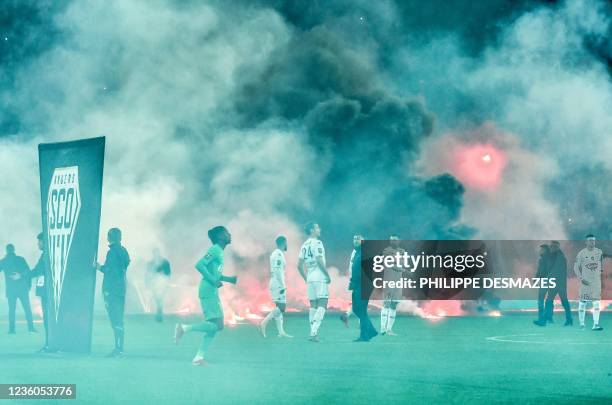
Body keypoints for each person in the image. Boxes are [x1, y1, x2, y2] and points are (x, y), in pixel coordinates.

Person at [174, 226, 237, 366]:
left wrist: (229, 279)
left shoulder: (219, 251)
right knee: (216, 325)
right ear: (221, 237)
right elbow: (199, 265)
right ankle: (183, 329)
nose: (229, 234)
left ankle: (198, 358)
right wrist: (213, 280)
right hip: (208, 291)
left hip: (211, 291)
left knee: (216, 326)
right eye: (227, 233)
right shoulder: (215, 249)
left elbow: (216, 274)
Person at [96, 228, 131, 357]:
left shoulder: (112, 252)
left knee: (114, 319)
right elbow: (124, 265)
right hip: (121, 290)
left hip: (111, 290)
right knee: (119, 319)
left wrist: (99, 267)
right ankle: (120, 347)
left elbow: (110, 271)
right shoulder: (124, 251)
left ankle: (118, 349)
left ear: (109, 238)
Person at [298, 222, 330, 342]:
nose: (319, 229)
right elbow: (319, 260)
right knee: (323, 303)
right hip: (319, 276)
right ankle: (313, 332)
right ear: (312, 230)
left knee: (313, 305)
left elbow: (298, 265)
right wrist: (327, 275)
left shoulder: (304, 245)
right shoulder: (317, 243)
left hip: (310, 277)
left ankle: (312, 332)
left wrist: (305, 277)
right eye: (317, 227)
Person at [259, 236, 292, 338]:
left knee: (278, 308)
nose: (287, 245)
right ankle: (263, 323)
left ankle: (281, 332)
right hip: (277, 283)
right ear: (284, 243)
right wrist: (282, 285)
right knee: (282, 308)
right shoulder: (278, 254)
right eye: (287, 243)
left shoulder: (276, 253)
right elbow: (277, 270)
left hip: (275, 282)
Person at [0, 244, 36, 334]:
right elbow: (28, 272)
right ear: (14, 250)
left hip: (11, 290)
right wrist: (28, 286)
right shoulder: (20, 259)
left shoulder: (3, 261)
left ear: (7, 250)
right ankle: (31, 328)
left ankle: (12, 330)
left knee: (11, 309)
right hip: (22, 288)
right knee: (27, 308)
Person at [573, 234, 606, 331]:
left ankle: (595, 324)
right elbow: (576, 267)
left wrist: (600, 274)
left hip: (596, 283)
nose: (592, 242)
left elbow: (600, 265)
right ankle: (582, 324)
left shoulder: (599, 252)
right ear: (586, 242)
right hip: (585, 282)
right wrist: (581, 278)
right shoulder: (581, 253)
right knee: (583, 302)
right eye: (590, 240)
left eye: (593, 240)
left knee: (596, 303)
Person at [349, 234, 377, 342]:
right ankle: (370, 332)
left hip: (363, 284)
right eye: (354, 238)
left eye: (358, 239)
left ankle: (365, 335)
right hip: (357, 284)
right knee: (358, 309)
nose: (356, 240)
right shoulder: (357, 253)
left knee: (360, 309)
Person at [30, 233, 51, 351]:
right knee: (47, 319)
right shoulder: (45, 255)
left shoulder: (46, 255)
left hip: (47, 292)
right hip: (46, 292)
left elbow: (36, 270)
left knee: (48, 319)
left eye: (40, 241)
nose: (38, 244)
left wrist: (22, 276)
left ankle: (50, 344)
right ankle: (49, 343)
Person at [544, 241, 572, 326]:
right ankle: (550, 318)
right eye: (551, 247)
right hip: (556, 283)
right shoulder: (555, 257)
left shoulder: (560, 258)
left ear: (556, 247)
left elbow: (556, 271)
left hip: (558, 283)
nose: (551, 248)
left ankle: (566, 319)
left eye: (553, 247)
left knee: (555, 301)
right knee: (551, 301)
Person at [381, 235, 404, 336]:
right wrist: (403, 269)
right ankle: (382, 328)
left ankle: (389, 329)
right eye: (391, 240)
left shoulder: (402, 251)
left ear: (399, 241)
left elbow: (402, 263)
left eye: (395, 240)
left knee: (394, 305)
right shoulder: (386, 251)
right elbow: (390, 263)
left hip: (398, 282)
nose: (392, 241)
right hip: (389, 282)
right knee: (386, 303)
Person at [145, 248, 171, 322]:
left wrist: (165, 280)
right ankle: (159, 313)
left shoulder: (165, 262)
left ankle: (159, 314)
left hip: (162, 283)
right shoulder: (150, 263)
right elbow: (147, 274)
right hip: (154, 283)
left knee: (160, 299)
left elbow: (168, 273)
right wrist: (147, 283)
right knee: (157, 299)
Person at [533, 244, 551, 327]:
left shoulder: (543, 259)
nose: (540, 251)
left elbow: (541, 270)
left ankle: (542, 320)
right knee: (547, 300)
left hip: (544, 280)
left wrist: (536, 279)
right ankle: (546, 318)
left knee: (540, 301)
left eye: (541, 249)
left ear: (544, 250)